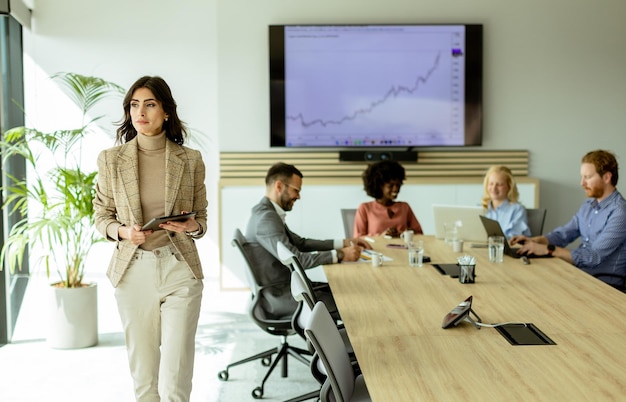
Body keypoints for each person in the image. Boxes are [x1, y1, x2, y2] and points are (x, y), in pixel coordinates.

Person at [93, 76, 207, 402]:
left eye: (150, 104)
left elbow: (202, 220)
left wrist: (190, 227)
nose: (140, 112)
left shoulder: (191, 160)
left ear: (166, 111)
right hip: (133, 271)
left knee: (176, 378)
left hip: (179, 268)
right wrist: (124, 232)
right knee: (144, 381)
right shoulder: (110, 160)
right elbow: (102, 217)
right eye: (134, 105)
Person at [245, 162, 371, 318]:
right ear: (279, 186)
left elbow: (301, 243)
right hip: (280, 297)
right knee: (355, 300)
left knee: (347, 289)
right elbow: (297, 260)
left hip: (286, 289)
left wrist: (343, 242)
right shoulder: (267, 218)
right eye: (296, 190)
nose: (298, 196)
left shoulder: (266, 212)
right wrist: (340, 255)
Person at [511, 150, 626, 288]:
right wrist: (534, 241)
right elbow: (563, 235)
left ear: (607, 177)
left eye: (587, 177)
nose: (582, 183)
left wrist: (549, 250)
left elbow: (593, 257)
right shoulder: (588, 205)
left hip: (604, 285)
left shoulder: (620, 213)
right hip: (581, 276)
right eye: (582, 177)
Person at [354, 160, 423, 237]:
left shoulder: (404, 207)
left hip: (403, 248)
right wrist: (381, 236)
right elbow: (358, 238)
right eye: (391, 186)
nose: (395, 189)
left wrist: (405, 233)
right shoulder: (365, 208)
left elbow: (419, 232)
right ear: (379, 185)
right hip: (375, 248)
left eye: (398, 185)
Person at [481, 165, 531, 239]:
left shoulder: (517, 210)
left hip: (506, 250)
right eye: (491, 184)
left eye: (499, 184)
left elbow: (514, 239)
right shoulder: (480, 209)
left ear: (509, 186)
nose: (494, 188)